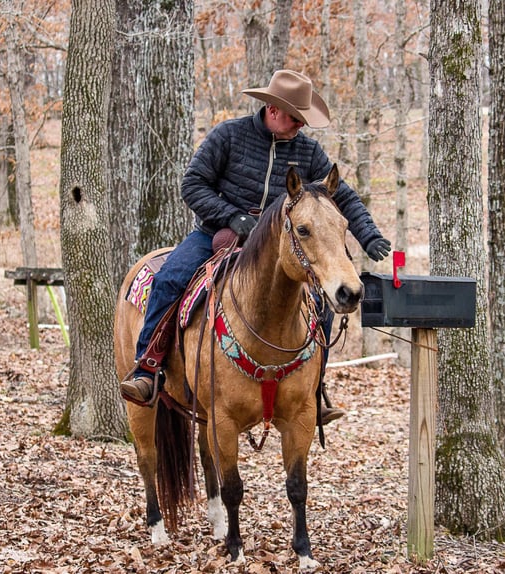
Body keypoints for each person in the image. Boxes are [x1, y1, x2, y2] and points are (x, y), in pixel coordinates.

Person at [120, 69, 391, 424]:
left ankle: (315, 387)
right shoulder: (228, 136)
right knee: (170, 278)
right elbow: (193, 184)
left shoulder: (307, 152)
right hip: (217, 234)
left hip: (279, 247)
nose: (300, 126)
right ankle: (148, 367)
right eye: (296, 118)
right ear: (273, 110)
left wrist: (368, 234)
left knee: (321, 305)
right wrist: (231, 216)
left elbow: (341, 197)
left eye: (303, 119)